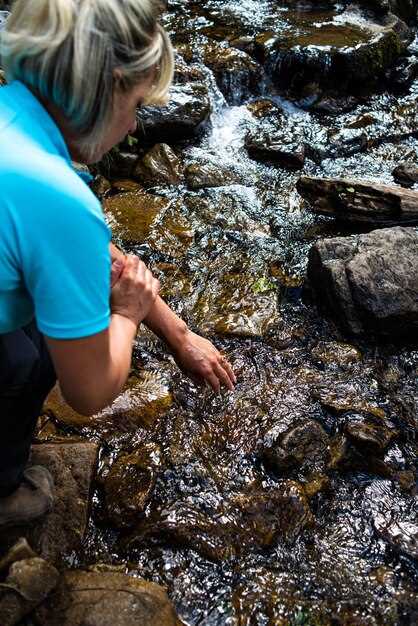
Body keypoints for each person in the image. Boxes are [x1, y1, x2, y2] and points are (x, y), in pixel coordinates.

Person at [0, 0, 236, 529]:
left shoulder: (10, 120)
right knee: (34, 351)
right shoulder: (57, 196)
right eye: (134, 104)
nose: (132, 129)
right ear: (101, 89)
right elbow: (89, 393)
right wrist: (126, 315)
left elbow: (85, 254)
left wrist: (179, 335)